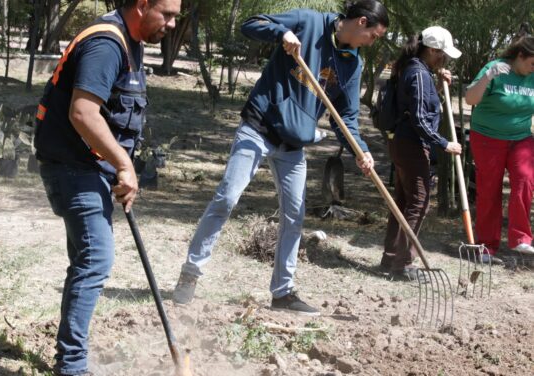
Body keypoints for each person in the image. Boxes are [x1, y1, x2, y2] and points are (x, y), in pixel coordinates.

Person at [173, 0, 389, 316]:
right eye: (374, 35)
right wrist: (281, 32)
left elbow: (346, 118)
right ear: (360, 22)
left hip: (293, 145)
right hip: (259, 127)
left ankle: (283, 293)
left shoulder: (351, 64)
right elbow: (251, 24)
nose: (373, 43)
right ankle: (190, 273)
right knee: (227, 198)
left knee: (294, 216)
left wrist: (361, 149)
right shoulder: (309, 22)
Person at [33, 0, 181, 374]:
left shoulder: (131, 42)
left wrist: (116, 164)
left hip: (89, 168)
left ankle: (70, 359)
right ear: (143, 4)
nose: (172, 23)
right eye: (167, 13)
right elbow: (82, 112)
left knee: (87, 260)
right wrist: (123, 163)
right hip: (73, 168)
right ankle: (72, 367)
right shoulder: (107, 43)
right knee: (95, 259)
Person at [379, 26, 462, 280]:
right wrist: (443, 142)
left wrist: (438, 86)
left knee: (404, 201)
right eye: (443, 54)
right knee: (419, 201)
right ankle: (403, 265)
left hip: (403, 143)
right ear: (432, 50)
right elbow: (417, 117)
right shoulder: (417, 72)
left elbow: (420, 105)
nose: (445, 59)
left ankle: (391, 258)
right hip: (411, 144)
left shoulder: (414, 69)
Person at [465, 35, 534, 259]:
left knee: (525, 179)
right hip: (487, 138)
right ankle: (486, 245)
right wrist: (487, 77)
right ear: (520, 56)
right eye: (532, 63)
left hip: (521, 137)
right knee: (489, 191)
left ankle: (520, 237)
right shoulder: (495, 68)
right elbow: (470, 99)